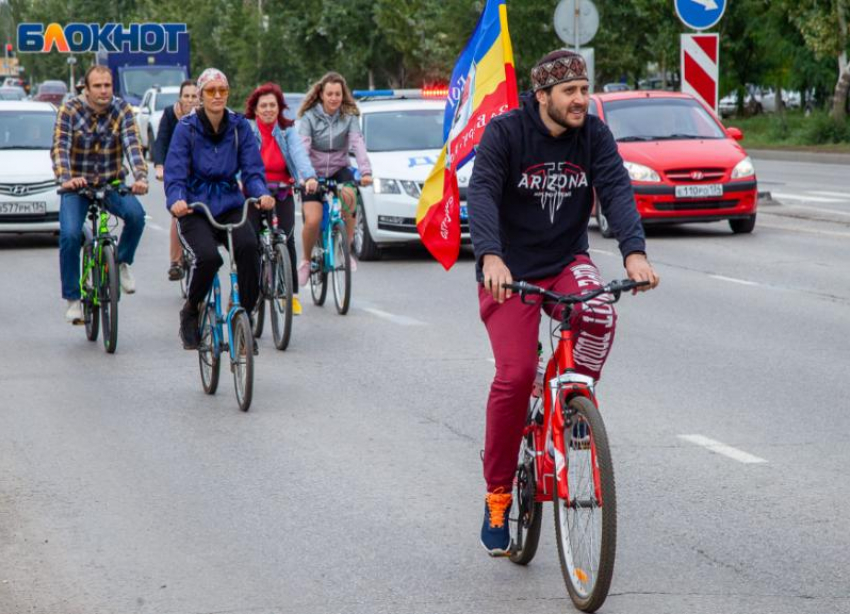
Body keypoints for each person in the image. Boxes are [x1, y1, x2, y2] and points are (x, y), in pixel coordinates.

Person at [467, 50, 660, 556]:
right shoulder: (506, 134)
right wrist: (490, 257)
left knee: (598, 311)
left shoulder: (593, 135)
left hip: (565, 260)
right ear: (543, 95)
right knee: (511, 378)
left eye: (584, 88)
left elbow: (616, 188)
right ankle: (498, 495)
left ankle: (570, 401)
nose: (581, 99)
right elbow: (483, 192)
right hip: (510, 272)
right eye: (570, 92)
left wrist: (634, 254)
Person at [164, 68, 274, 350]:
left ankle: (244, 315)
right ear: (200, 96)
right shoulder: (186, 128)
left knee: (250, 248)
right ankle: (191, 309)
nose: (217, 96)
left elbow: (252, 170)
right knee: (210, 258)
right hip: (195, 207)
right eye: (210, 91)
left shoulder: (239, 127)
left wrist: (261, 193)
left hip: (229, 203)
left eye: (221, 91)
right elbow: (175, 172)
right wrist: (177, 198)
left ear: (228, 93)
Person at [51, 64, 148, 324]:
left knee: (137, 216)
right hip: (77, 186)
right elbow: (60, 147)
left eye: (107, 85)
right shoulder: (69, 110)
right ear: (86, 88)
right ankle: (73, 299)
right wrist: (66, 178)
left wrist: (140, 177)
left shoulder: (123, 110)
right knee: (70, 234)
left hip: (111, 182)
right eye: (98, 86)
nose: (104, 91)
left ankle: (122, 262)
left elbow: (133, 146)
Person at [244, 82, 319, 316]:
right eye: (263, 106)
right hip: (254, 192)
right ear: (255, 110)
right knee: (251, 243)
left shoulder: (287, 131)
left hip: (282, 190)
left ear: (279, 108)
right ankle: (251, 291)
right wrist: (239, 182)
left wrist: (308, 177)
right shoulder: (248, 131)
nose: (268, 110)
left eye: (272, 105)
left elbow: (299, 155)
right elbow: (240, 160)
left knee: (286, 238)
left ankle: (291, 295)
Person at [296, 72, 372, 287]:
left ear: (342, 95)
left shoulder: (349, 116)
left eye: (337, 94)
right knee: (312, 220)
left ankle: (345, 250)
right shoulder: (309, 117)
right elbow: (302, 149)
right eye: (329, 93)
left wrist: (365, 172)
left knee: (349, 197)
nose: (333, 98)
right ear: (321, 94)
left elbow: (358, 144)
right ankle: (306, 260)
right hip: (313, 172)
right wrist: (307, 177)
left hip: (339, 168)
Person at [152, 79, 200, 281]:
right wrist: (159, 165)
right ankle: (176, 261)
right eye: (186, 96)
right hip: (176, 171)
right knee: (177, 213)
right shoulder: (171, 114)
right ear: (180, 98)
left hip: (199, 171)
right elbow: (161, 141)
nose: (190, 100)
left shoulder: (205, 117)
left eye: (194, 96)